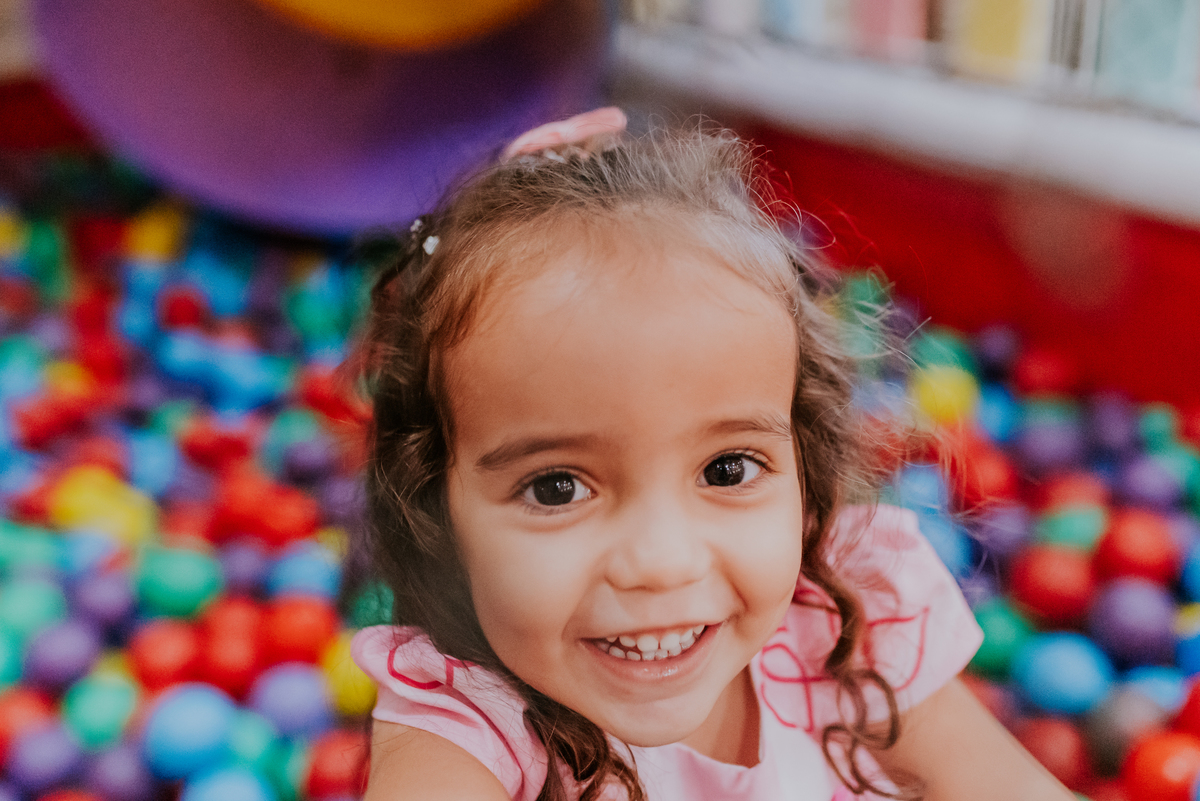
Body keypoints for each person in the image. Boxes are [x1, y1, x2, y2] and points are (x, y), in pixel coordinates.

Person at [348, 108, 1074, 801]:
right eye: (557, 487)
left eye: (727, 469)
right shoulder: (473, 720)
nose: (661, 561)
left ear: (806, 473)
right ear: (435, 510)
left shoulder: (843, 625)